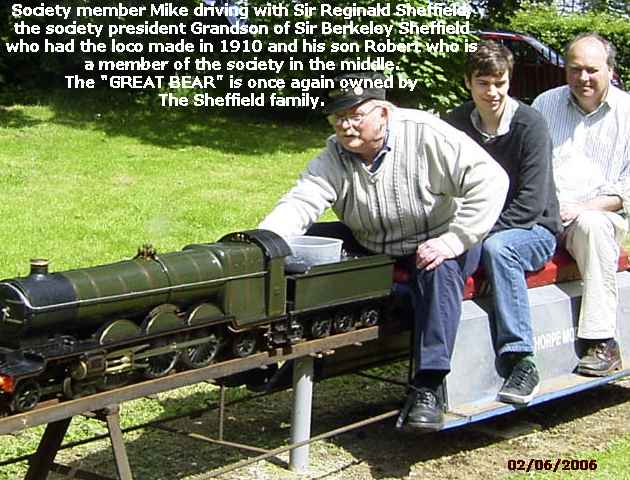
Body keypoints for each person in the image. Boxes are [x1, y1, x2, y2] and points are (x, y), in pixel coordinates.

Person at [259, 72, 509, 430]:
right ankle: (280, 348)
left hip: (437, 236)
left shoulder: (426, 133)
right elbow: (302, 200)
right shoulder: (335, 153)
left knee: (438, 268)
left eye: (355, 115)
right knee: (302, 246)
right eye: (338, 118)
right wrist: (264, 242)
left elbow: (491, 179)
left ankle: (428, 386)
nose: (345, 127)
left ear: (384, 113)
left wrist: (456, 239)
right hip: (372, 240)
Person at [445, 41, 562, 403]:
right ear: (468, 83)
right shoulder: (456, 123)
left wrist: (472, 235)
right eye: (483, 83)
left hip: (534, 229)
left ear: (509, 82)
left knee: (499, 249)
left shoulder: (530, 124)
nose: (492, 92)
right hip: (475, 225)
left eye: (500, 82)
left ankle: (520, 359)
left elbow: (530, 203)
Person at [532, 33, 630, 376]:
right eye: (575, 70)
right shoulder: (545, 104)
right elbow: (529, 164)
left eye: (592, 70)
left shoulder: (628, 113)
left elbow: (627, 190)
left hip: (599, 216)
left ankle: (603, 342)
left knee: (593, 226)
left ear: (610, 69)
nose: (583, 78)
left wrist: (584, 207)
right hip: (544, 214)